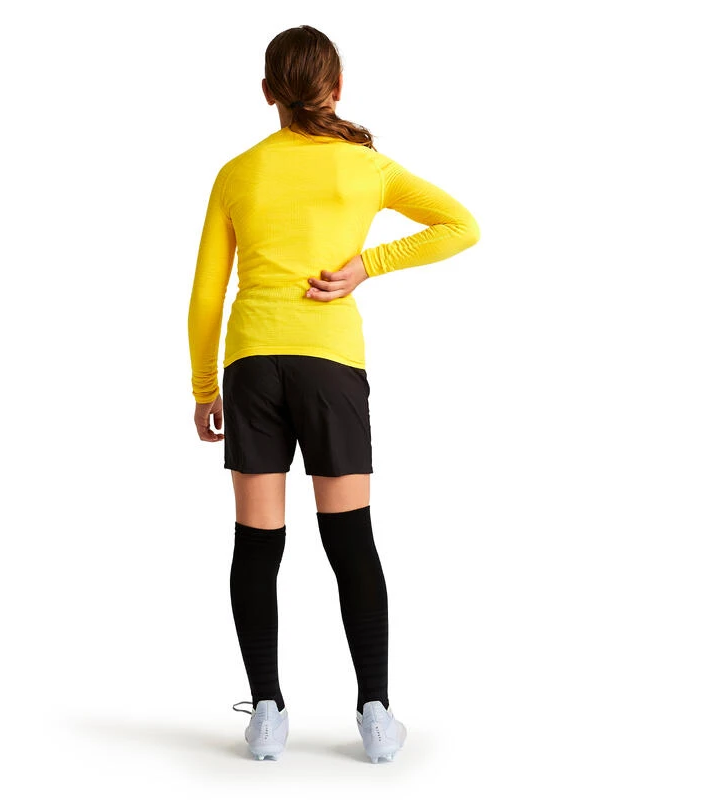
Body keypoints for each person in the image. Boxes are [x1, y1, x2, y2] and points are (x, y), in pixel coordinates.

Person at [188, 25, 480, 763]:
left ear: (267, 93)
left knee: (257, 544)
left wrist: (203, 387)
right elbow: (461, 226)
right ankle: (376, 716)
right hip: (330, 368)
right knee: (350, 541)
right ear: (337, 87)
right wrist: (365, 266)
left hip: (252, 365)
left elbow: (206, 295)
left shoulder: (237, 172)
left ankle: (266, 714)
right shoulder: (366, 167)